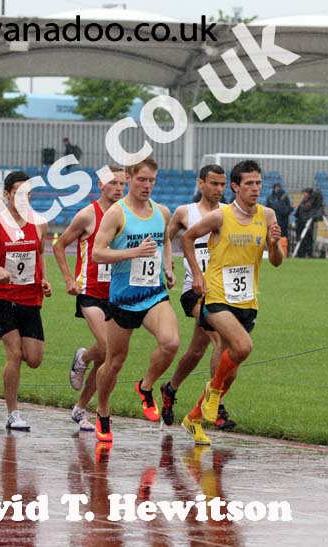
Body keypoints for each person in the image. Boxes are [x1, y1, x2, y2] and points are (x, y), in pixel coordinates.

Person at [180, 160, 283, 445]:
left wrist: (273, 244)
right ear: (235, 187)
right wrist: (197, 275)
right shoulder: (221, 216)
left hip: (246, 300)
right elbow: (187, 239)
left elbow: (275, 262)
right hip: (216, 296)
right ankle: (212, 394)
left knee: (231, 373)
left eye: (258, 183)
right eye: (249, 183)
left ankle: (193, 418)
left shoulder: (268, 215)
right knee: (243, 347)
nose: (255, 189)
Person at [91, 157, 179, 443]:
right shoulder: (117, 214)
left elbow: (165, 239)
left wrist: (167, 265)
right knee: (114, 363)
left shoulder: (162, 211)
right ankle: (102, 410)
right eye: (141, 179)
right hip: (123, 298)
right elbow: (98, 253)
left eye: (151, 180)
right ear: (128, 178)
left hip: (153, 292)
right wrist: (133, 253)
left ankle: (145, 387)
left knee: (171, 342)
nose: (147, 186)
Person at [160, 165, 234, 429]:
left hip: (223, 292)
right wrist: (166, 269)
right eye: (214, 183)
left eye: (223, 184)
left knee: (195, 350)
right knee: (221, 341)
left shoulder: (229, 214)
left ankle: (170, 388)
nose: (218, 189)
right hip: (195, 291)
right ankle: (218, 405)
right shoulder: (184, 212)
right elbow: (165, 242)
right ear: (200, 183)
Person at [53, 164, 126, 432]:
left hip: (117, 294)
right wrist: (69, 279)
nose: (118, 188)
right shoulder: (87, 215)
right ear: (101, 185)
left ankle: (81, 407)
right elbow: (59, 245)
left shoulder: (127, 215)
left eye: (122, 183)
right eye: (113, 183)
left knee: (108, 360)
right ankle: (83, 358)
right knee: (106, 348)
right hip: (90, 292)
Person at [0, 171, 52, 431]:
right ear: (7, 195)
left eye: (28, 194)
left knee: (33, 359)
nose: (23, 198)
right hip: (3, 296)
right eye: (18, 194)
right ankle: (13, 414)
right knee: (14, 354)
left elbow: (40, 253)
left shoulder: (39, 224)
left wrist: (44, 279)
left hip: (30, 296)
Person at [294, 187, 324, 258]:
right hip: (300, 223)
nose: (304, 194)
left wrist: (309, 222)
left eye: (305, 193)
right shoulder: (304, 201)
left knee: (308, 239)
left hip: (307, 223)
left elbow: (308, 212)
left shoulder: (311, 203)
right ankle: (301, 254)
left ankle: (308, 253)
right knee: (300, 239)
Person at [265, 182, 292, 249]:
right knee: (275, 237)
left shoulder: (285, 199)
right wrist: (291, 208)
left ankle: (283, 250)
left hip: (283, 222)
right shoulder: (271, 198)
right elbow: (284, 210)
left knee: (281, 237)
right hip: (276, 222)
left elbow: (287, 210)